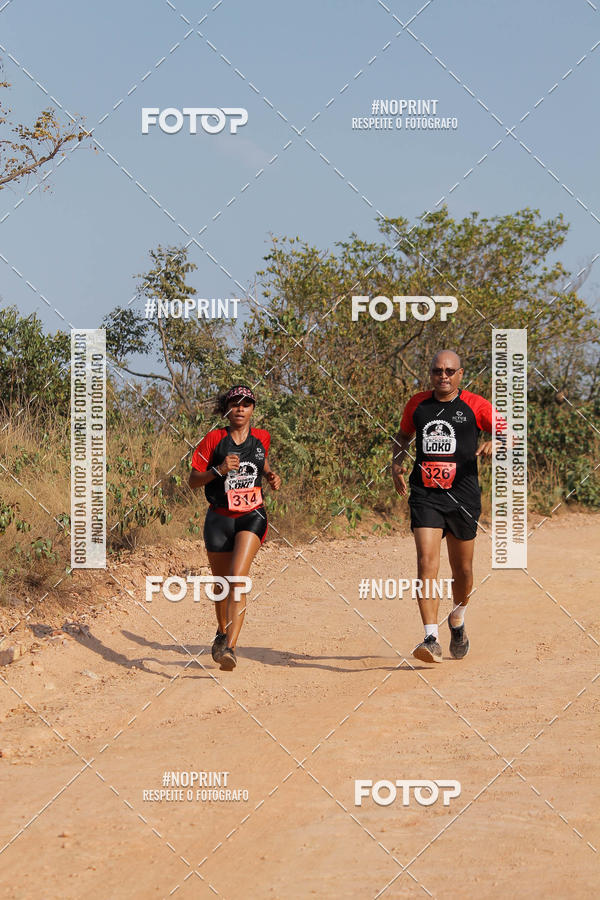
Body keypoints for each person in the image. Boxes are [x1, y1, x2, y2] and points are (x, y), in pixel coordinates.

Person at [391, 350, 500, 664]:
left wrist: (497, 441)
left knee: (462, 571)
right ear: (430, 372)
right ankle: (430, 637)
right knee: (426, 562)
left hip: (463, 498)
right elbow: (403, 435)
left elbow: (512, 433)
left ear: (460, 374)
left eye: (450, 371)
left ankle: (457, 617)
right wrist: (396, 462)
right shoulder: (418, 404)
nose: (443, 376)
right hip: (425, 495)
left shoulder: (476, 405)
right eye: (438, 370)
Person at [189, 385, 281, 670]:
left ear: (253, 409)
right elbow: (193, 480)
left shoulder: (261, 438)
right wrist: (219, 470)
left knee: (237, 579)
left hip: (252, 515)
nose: (241, 409)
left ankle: (229, 647)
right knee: (221, 584)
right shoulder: (214, 439)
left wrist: (269, 474)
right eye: (235, 404)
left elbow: (260, 461)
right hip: (219, 518)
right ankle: (221, 630)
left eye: (246, 404)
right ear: (227, 409)